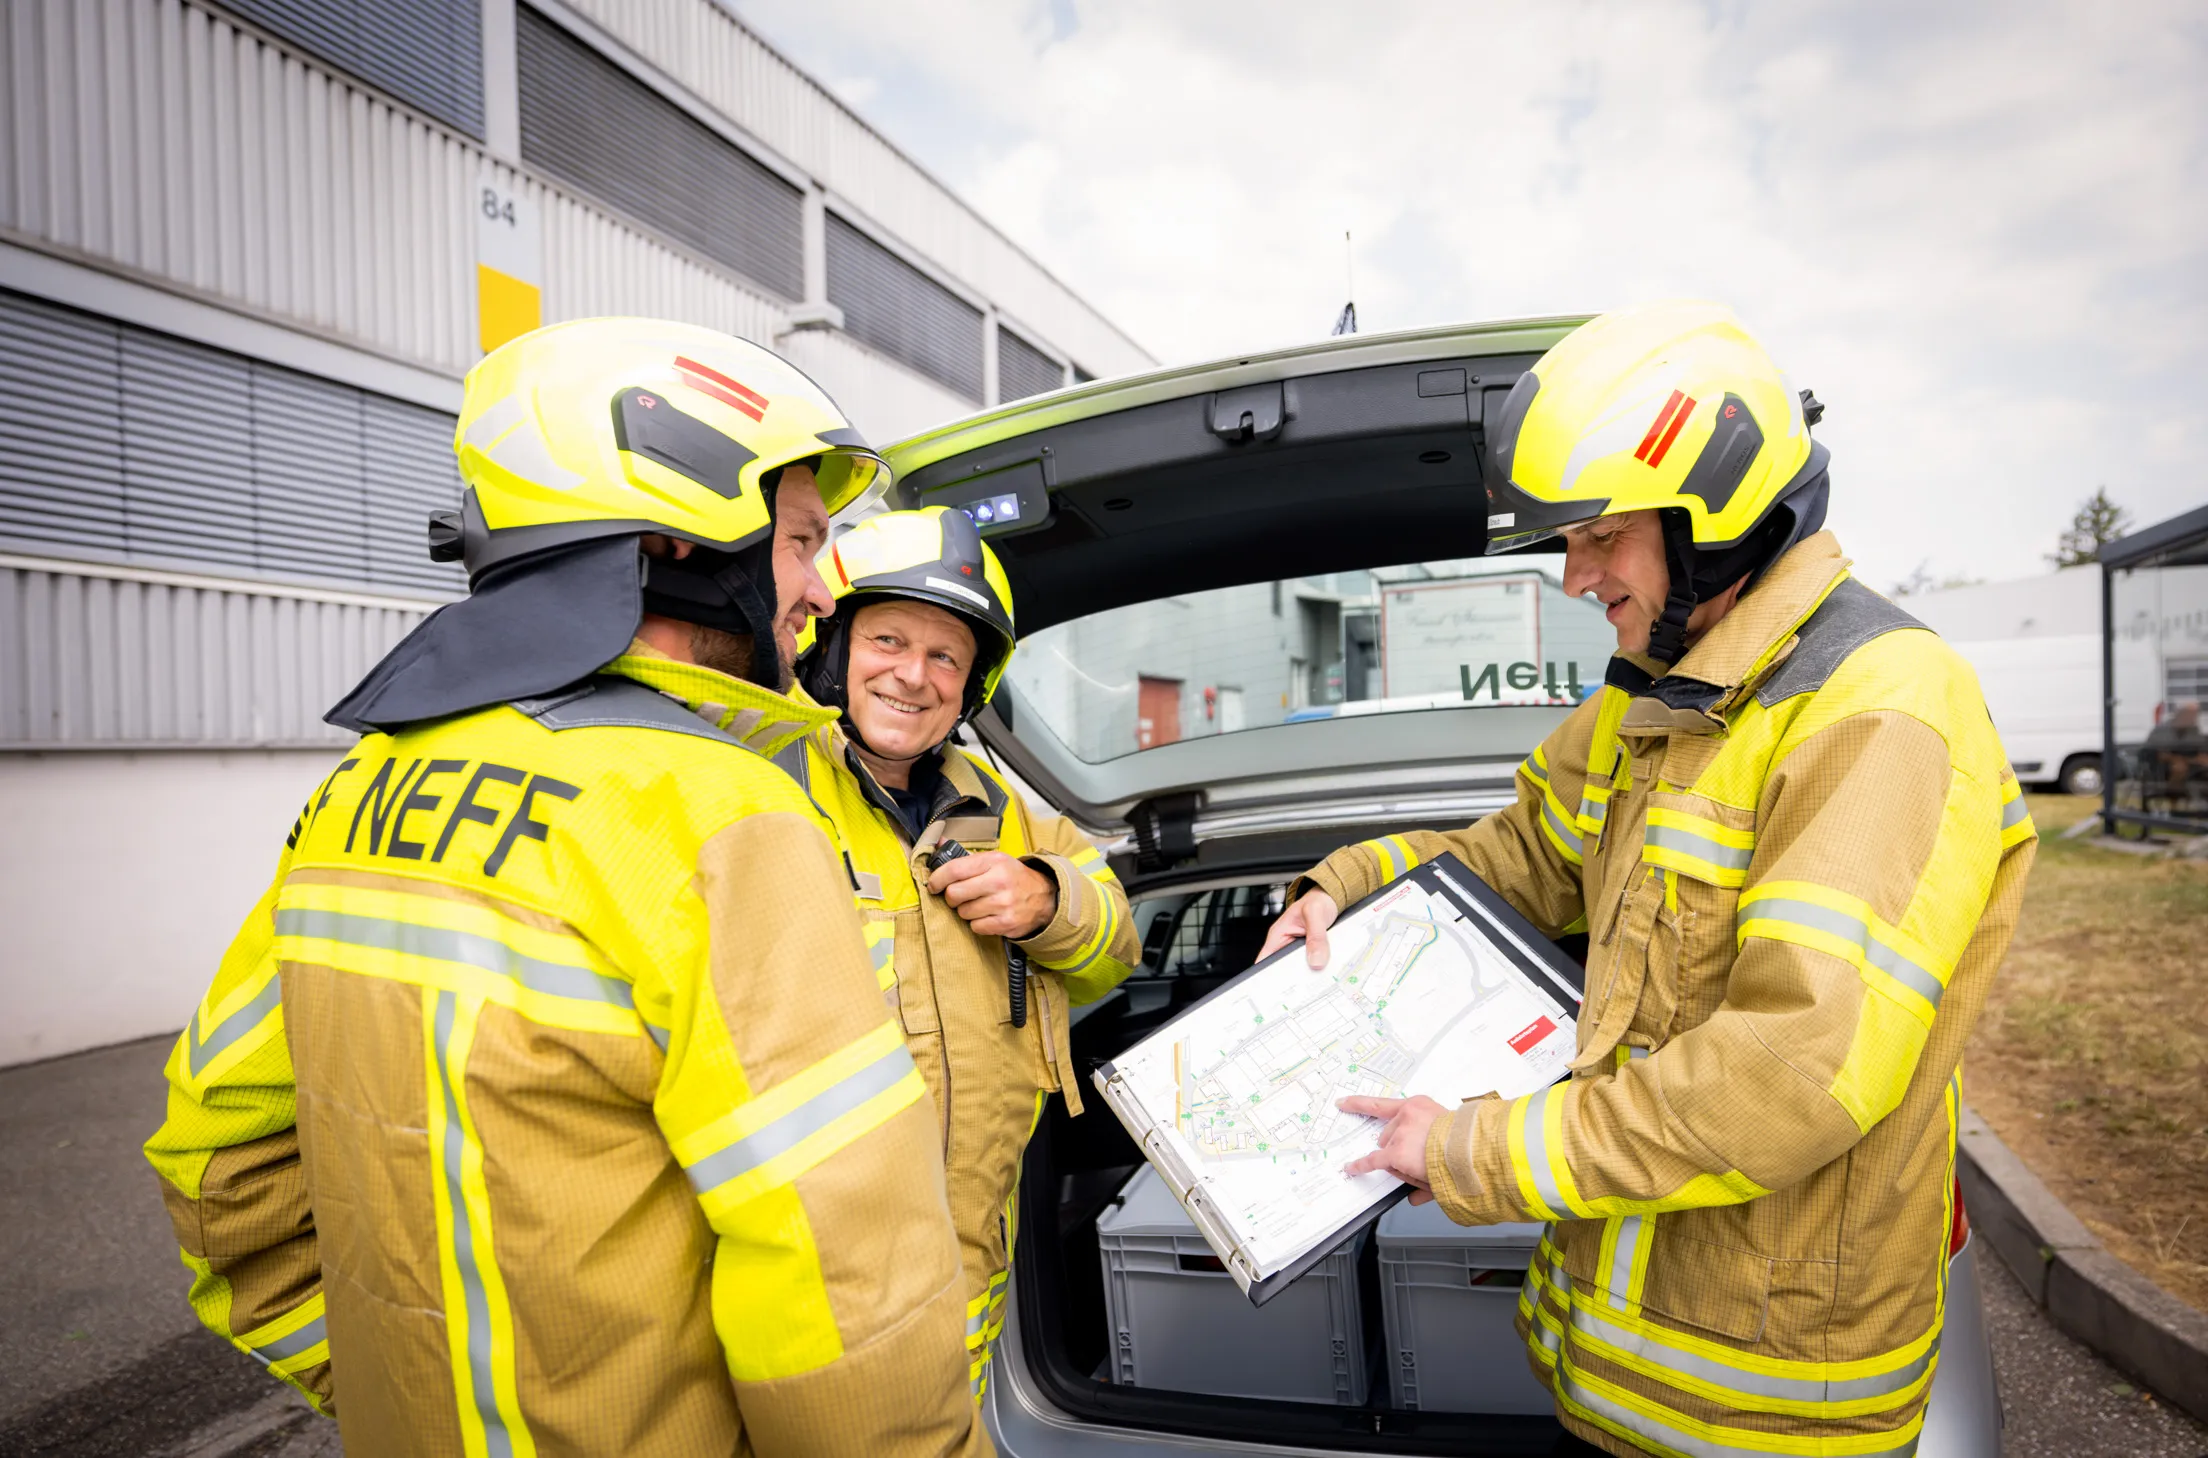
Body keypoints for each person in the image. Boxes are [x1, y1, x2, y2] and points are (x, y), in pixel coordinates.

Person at [144, 319, 991, 1456]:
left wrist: (383, 1388)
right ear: (685, 543)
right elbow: (847, 1278)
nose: (817, 586)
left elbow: (219, 1167)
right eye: (800, 540)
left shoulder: (361, 791)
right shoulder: (713, 812)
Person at [1259, 301, 2036, 1458]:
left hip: (1762, 1414)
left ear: (1712, 518)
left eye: (1598, 538)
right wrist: (1350, 890)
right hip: (1616, 1376)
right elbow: (1522, 852)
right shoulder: (1659, 693)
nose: (1575, 577)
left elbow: (1787, 1076)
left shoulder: (1879, 710)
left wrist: (1472, 1150)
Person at [791, 505, 1139, 1400]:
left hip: (971, 1249)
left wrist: (1048, 901)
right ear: (831, 650)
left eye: (946, 656)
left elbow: (1115, 946)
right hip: (813, 1264)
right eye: (889, 642)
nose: (915, 676)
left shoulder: (1002, 808)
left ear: (973, 681)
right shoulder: (765, 789)